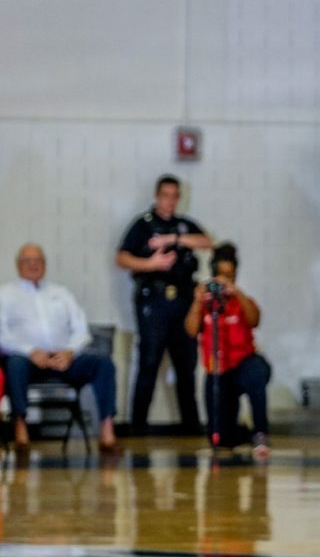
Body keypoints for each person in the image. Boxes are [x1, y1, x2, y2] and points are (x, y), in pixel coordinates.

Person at [0, 243, 119, 452]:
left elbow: (81, 330)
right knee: (14, 365)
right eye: (28, 261)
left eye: (38, 260)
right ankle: (20, 427)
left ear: (45, 265)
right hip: (27, 359)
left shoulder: (61, 293)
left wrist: (69, 352)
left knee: (103, 363)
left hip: (64, 358)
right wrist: (30, 351)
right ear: (18, 265)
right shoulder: (5, 294)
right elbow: (2, 335)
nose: (33, 265)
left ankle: (107, 430)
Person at [117, 175, 212, 435]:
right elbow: (122, 258)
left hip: (183, 300)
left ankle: (191, 426)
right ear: (157, 196)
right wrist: (151, 264)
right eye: (165, 195)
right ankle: (138, 426)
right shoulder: (143, 225)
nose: (169, 201)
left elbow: (207, 241)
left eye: (174, 196)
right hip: (154, 301)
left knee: (186, 365)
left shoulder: (183, 226)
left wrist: (174, 240)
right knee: (149, 362)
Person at [184, 243, 272, 457]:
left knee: (255, 372)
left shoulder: (240, 301)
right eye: (221, 276)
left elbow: (254, 319)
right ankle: (236, 432)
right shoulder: (206, 304)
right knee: (221, 438)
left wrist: (237, 292)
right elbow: (191, 330)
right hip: (218, 371)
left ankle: (260, 434)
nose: (224, 281)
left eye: (229, 276)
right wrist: (197, 302)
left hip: (244, 364)